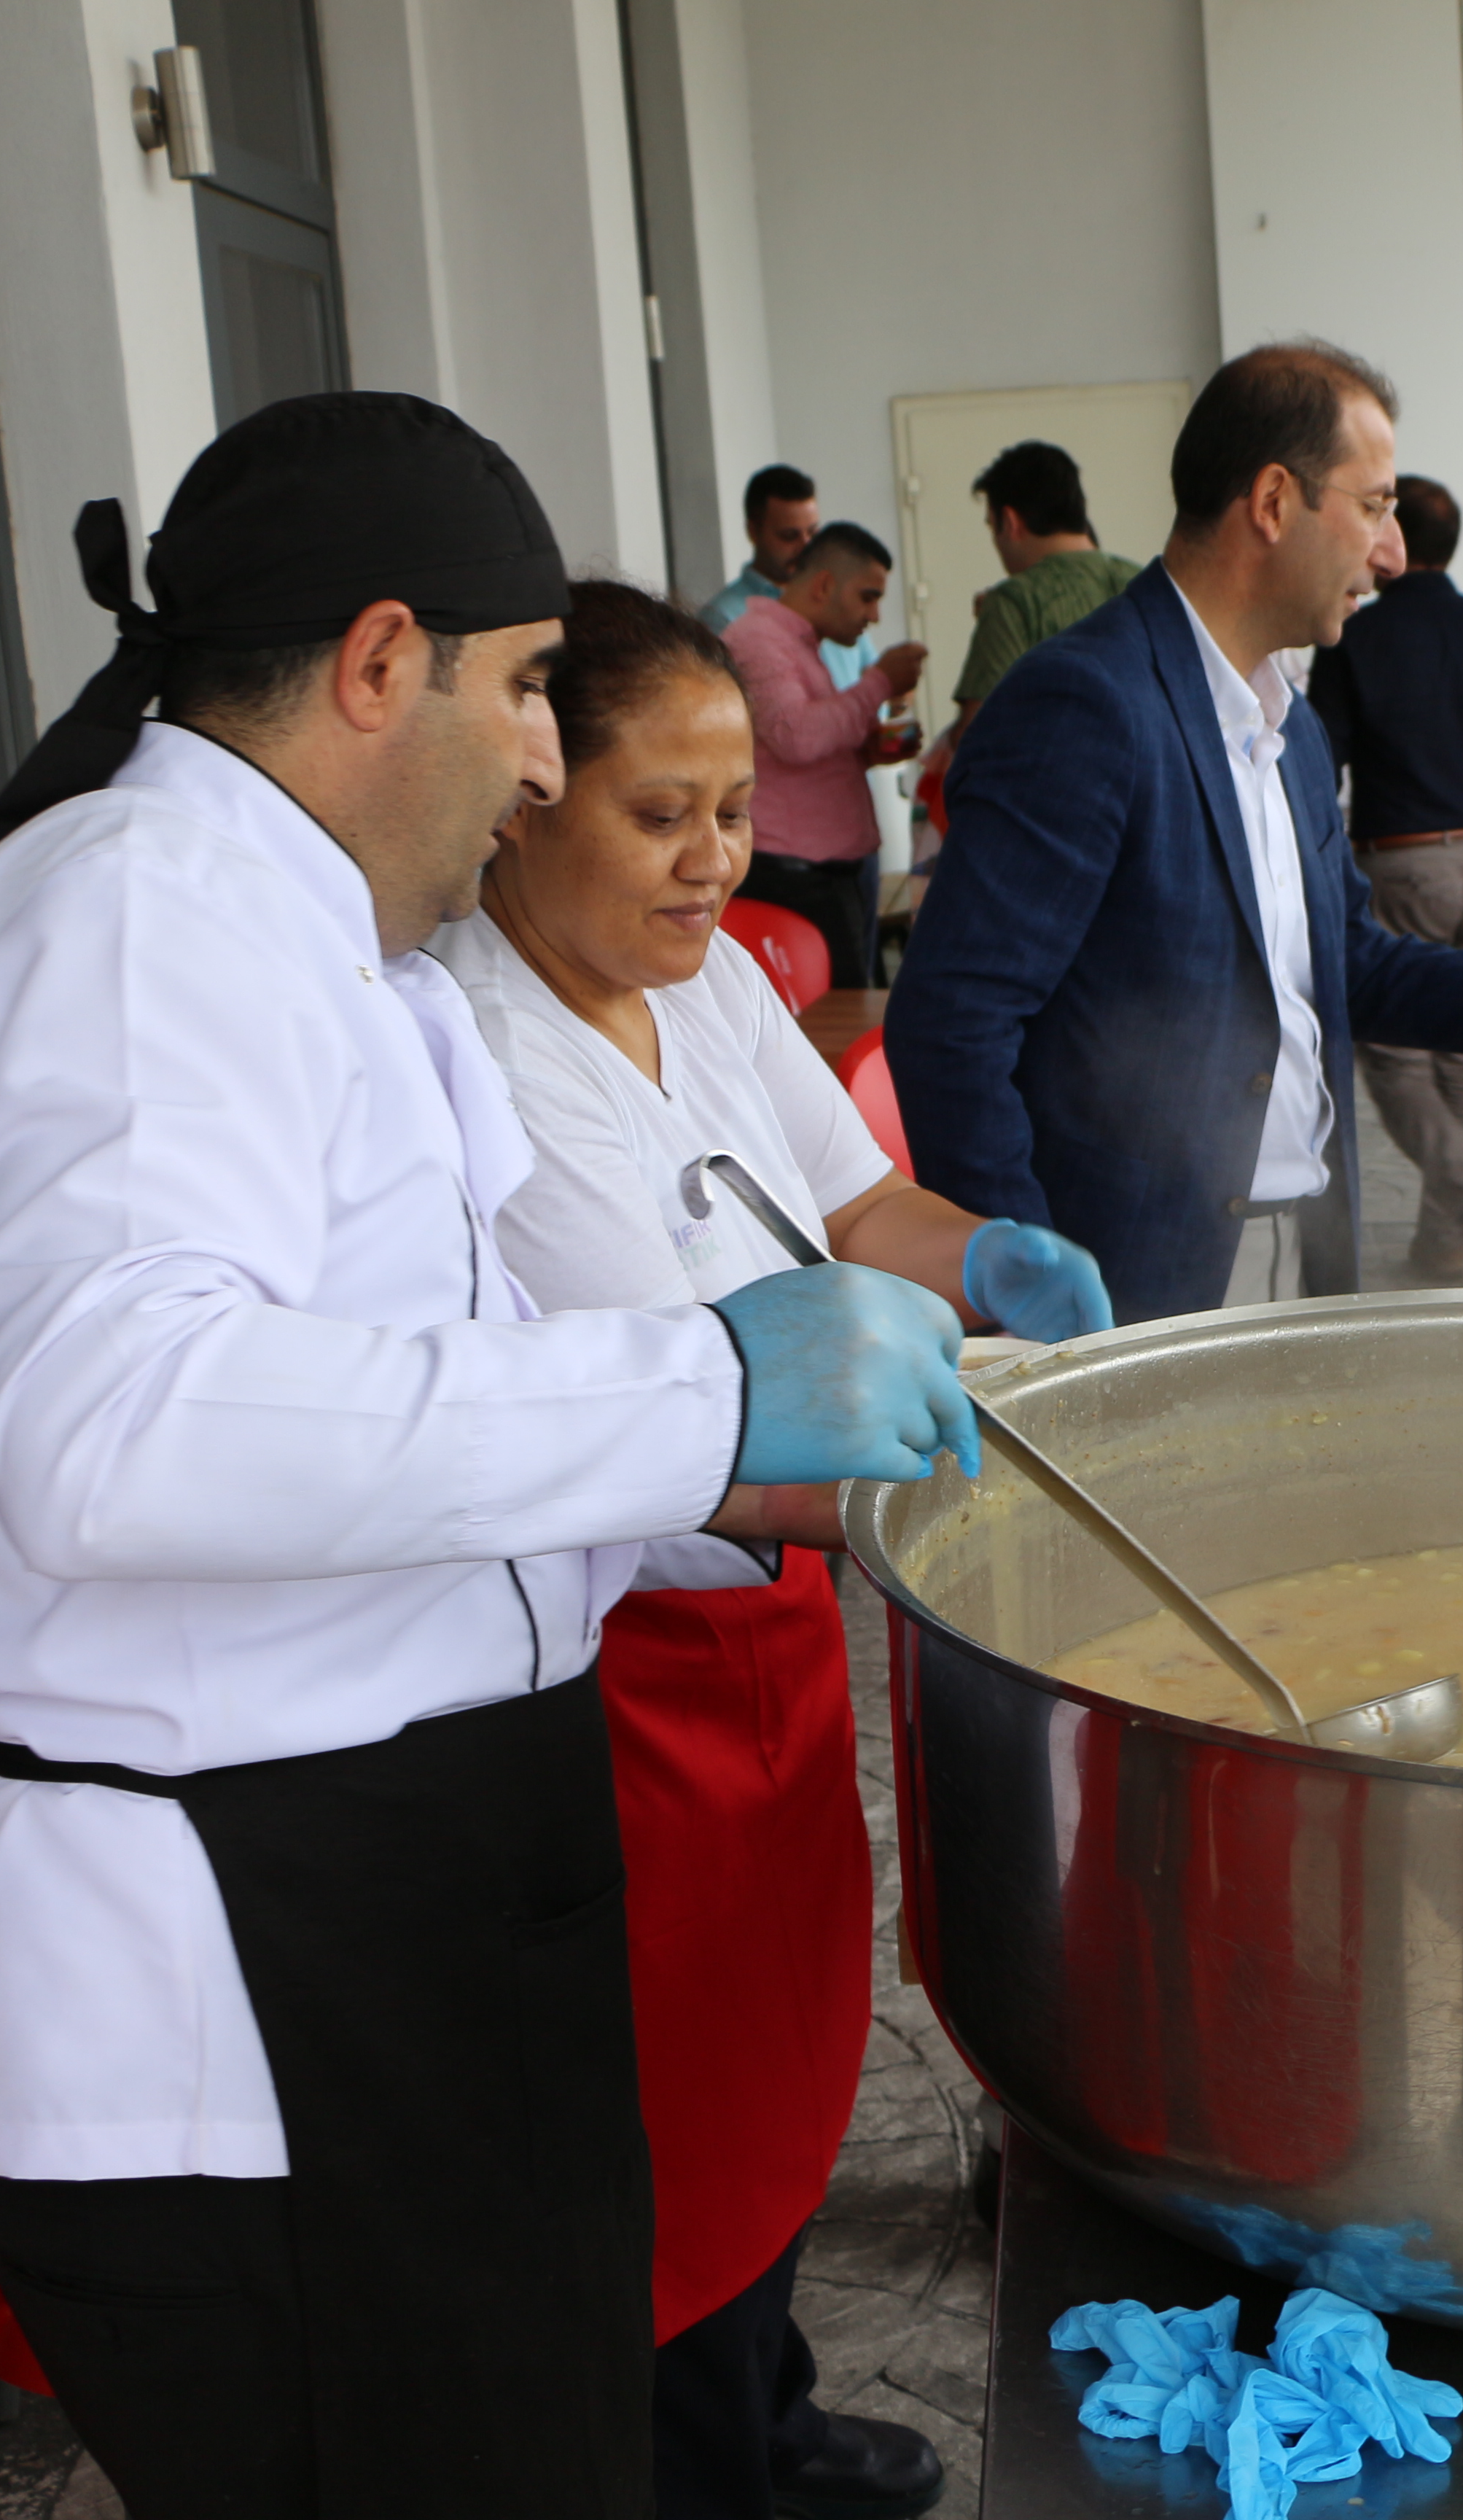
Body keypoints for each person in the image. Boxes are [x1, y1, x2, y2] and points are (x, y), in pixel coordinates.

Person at [0, 391, 978, 2520]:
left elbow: (365, 1403)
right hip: (245, 1988)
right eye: (529, 686)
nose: (549, 755)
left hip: (388, 1908)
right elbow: (127, 1427)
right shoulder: (132, 925)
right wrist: (705, 1394)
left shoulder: (298, 940)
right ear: (381, 665)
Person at [433, 578, 1107, 2520]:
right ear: (530, 796)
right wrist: (974, 1474)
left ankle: (776, 2403)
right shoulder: (487, 1062)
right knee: (676, 2111)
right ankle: (703, 2460)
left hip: (781, 1626)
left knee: (797, 2046)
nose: (714, 856)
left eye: (735, 807)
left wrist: (982, 1255)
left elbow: (862, 1197)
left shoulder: (713, 985)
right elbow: (678, 1450)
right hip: (621, 1673)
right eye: (663, 813)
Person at [886, 341, 1463, 1323]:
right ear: (1275, 502)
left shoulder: (1292, 726)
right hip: (1129, 1280)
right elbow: (951, 1026)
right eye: (1374, 506)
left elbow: (1349, 967)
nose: (1393, 551)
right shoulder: (1086, 706)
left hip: (1304, 1248)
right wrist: (1021, 1283)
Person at [1305, 474, 1463, 1285]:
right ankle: (1448, 1242)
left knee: (1396, 1057)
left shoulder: (1354, 637)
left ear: (1394, 533)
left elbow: (1321, 761)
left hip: (1407, 863)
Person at [725, 521, 928, 989]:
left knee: (854, 1010)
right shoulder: (758, 640)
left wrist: (864, 753)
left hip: (826, 876)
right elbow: (797, 736)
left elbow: (794, 750)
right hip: (794, 881)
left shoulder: (797, 642)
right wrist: (879, 681)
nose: (874, 615)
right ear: (823, 585)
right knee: (832, 1026)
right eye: (868, 596)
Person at [950, 439, 1139, 731]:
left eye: (992, 527)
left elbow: (977, 738)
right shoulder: (1146, 581)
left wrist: (997, 624)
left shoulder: (1013, 602)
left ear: (1010, 522)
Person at [699, 462, 882, 689]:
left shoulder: (838, 598)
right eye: (789, 536)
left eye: (813, 532)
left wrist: (895, 695)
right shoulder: (722, 618)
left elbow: (874, 676)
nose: (806, 547)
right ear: (753, 532)